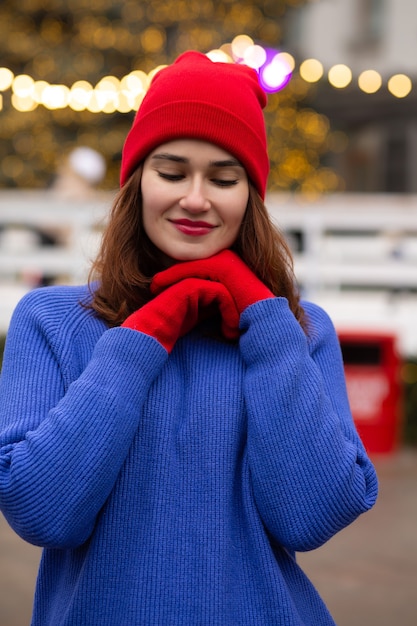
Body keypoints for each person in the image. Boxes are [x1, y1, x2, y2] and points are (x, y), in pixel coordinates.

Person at [0, 51, 378, 626]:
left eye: (224, 178)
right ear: (136, 184)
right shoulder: (51, 321)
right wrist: (146, 332)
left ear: (250, 195)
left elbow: (311, 515)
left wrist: (266, 323)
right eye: (172, 172)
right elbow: (42, 511)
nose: (196, 199)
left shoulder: (299, 331)